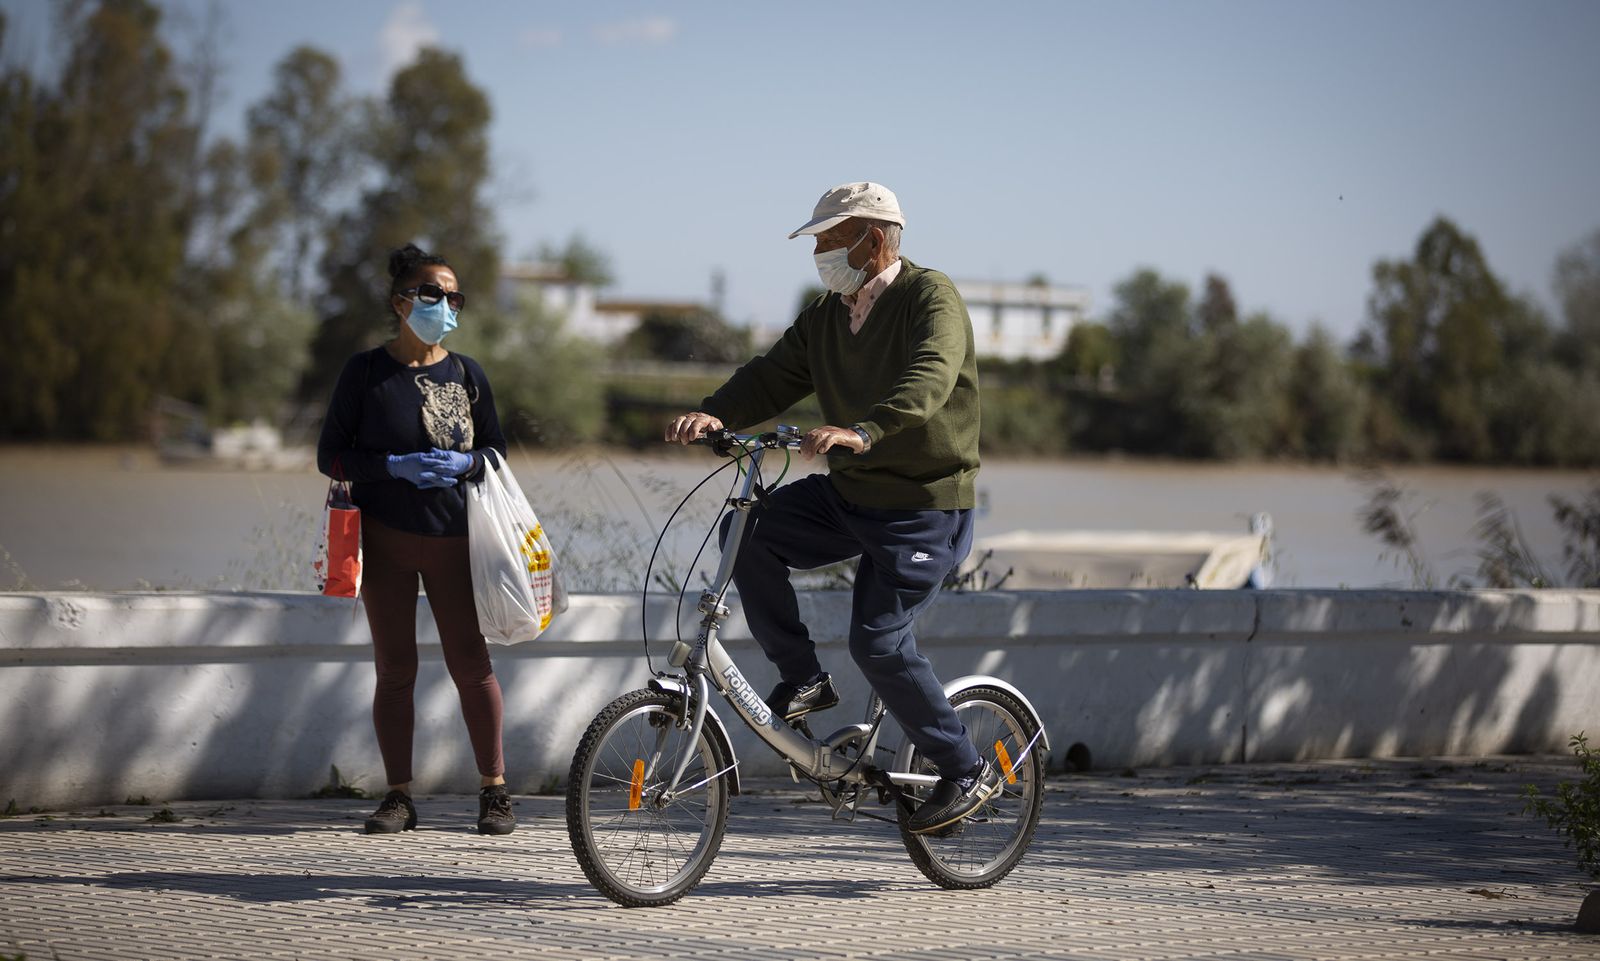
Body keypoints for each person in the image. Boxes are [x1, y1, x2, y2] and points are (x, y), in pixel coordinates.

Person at [665, 182, 998, 834]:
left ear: (872, 241)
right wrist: (716, 414)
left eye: (827, 240)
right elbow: (772, 374)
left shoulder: (932, 299)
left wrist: (865, 430)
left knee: (876, 638)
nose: (818, 252)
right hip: (851, 497)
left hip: (923, 509)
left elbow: (929, 377)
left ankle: (964, 769)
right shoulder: (827, 315)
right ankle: (803, 678)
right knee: (749, 528)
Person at [316, 243, 515, 837]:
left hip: (455, 538)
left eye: (455, 296)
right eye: (434, 294)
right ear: (401, 300)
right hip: (385, 542)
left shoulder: (467, 373)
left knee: (471, 666)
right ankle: (398, 797)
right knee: (395, 669)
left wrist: (467, 465)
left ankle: (495, 793)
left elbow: (497, 451)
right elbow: (331, 456)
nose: (447, 306)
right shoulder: (365, 373)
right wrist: (392, 466)